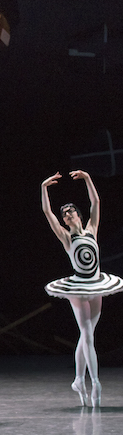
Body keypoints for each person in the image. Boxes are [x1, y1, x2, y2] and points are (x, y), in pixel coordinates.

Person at [41, 171, 123, 408]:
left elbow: (96, 202)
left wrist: (88, 178)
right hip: (78, 288)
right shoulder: (67, 238)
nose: (66, 216)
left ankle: (78, 379)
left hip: (96, 284)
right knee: (87, 335)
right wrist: (44, 187)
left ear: (78, 214)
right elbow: (47, 213)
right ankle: (95, 382)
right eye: (64, 215)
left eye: (70, 212)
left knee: (86, 336)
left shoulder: (92, 230)